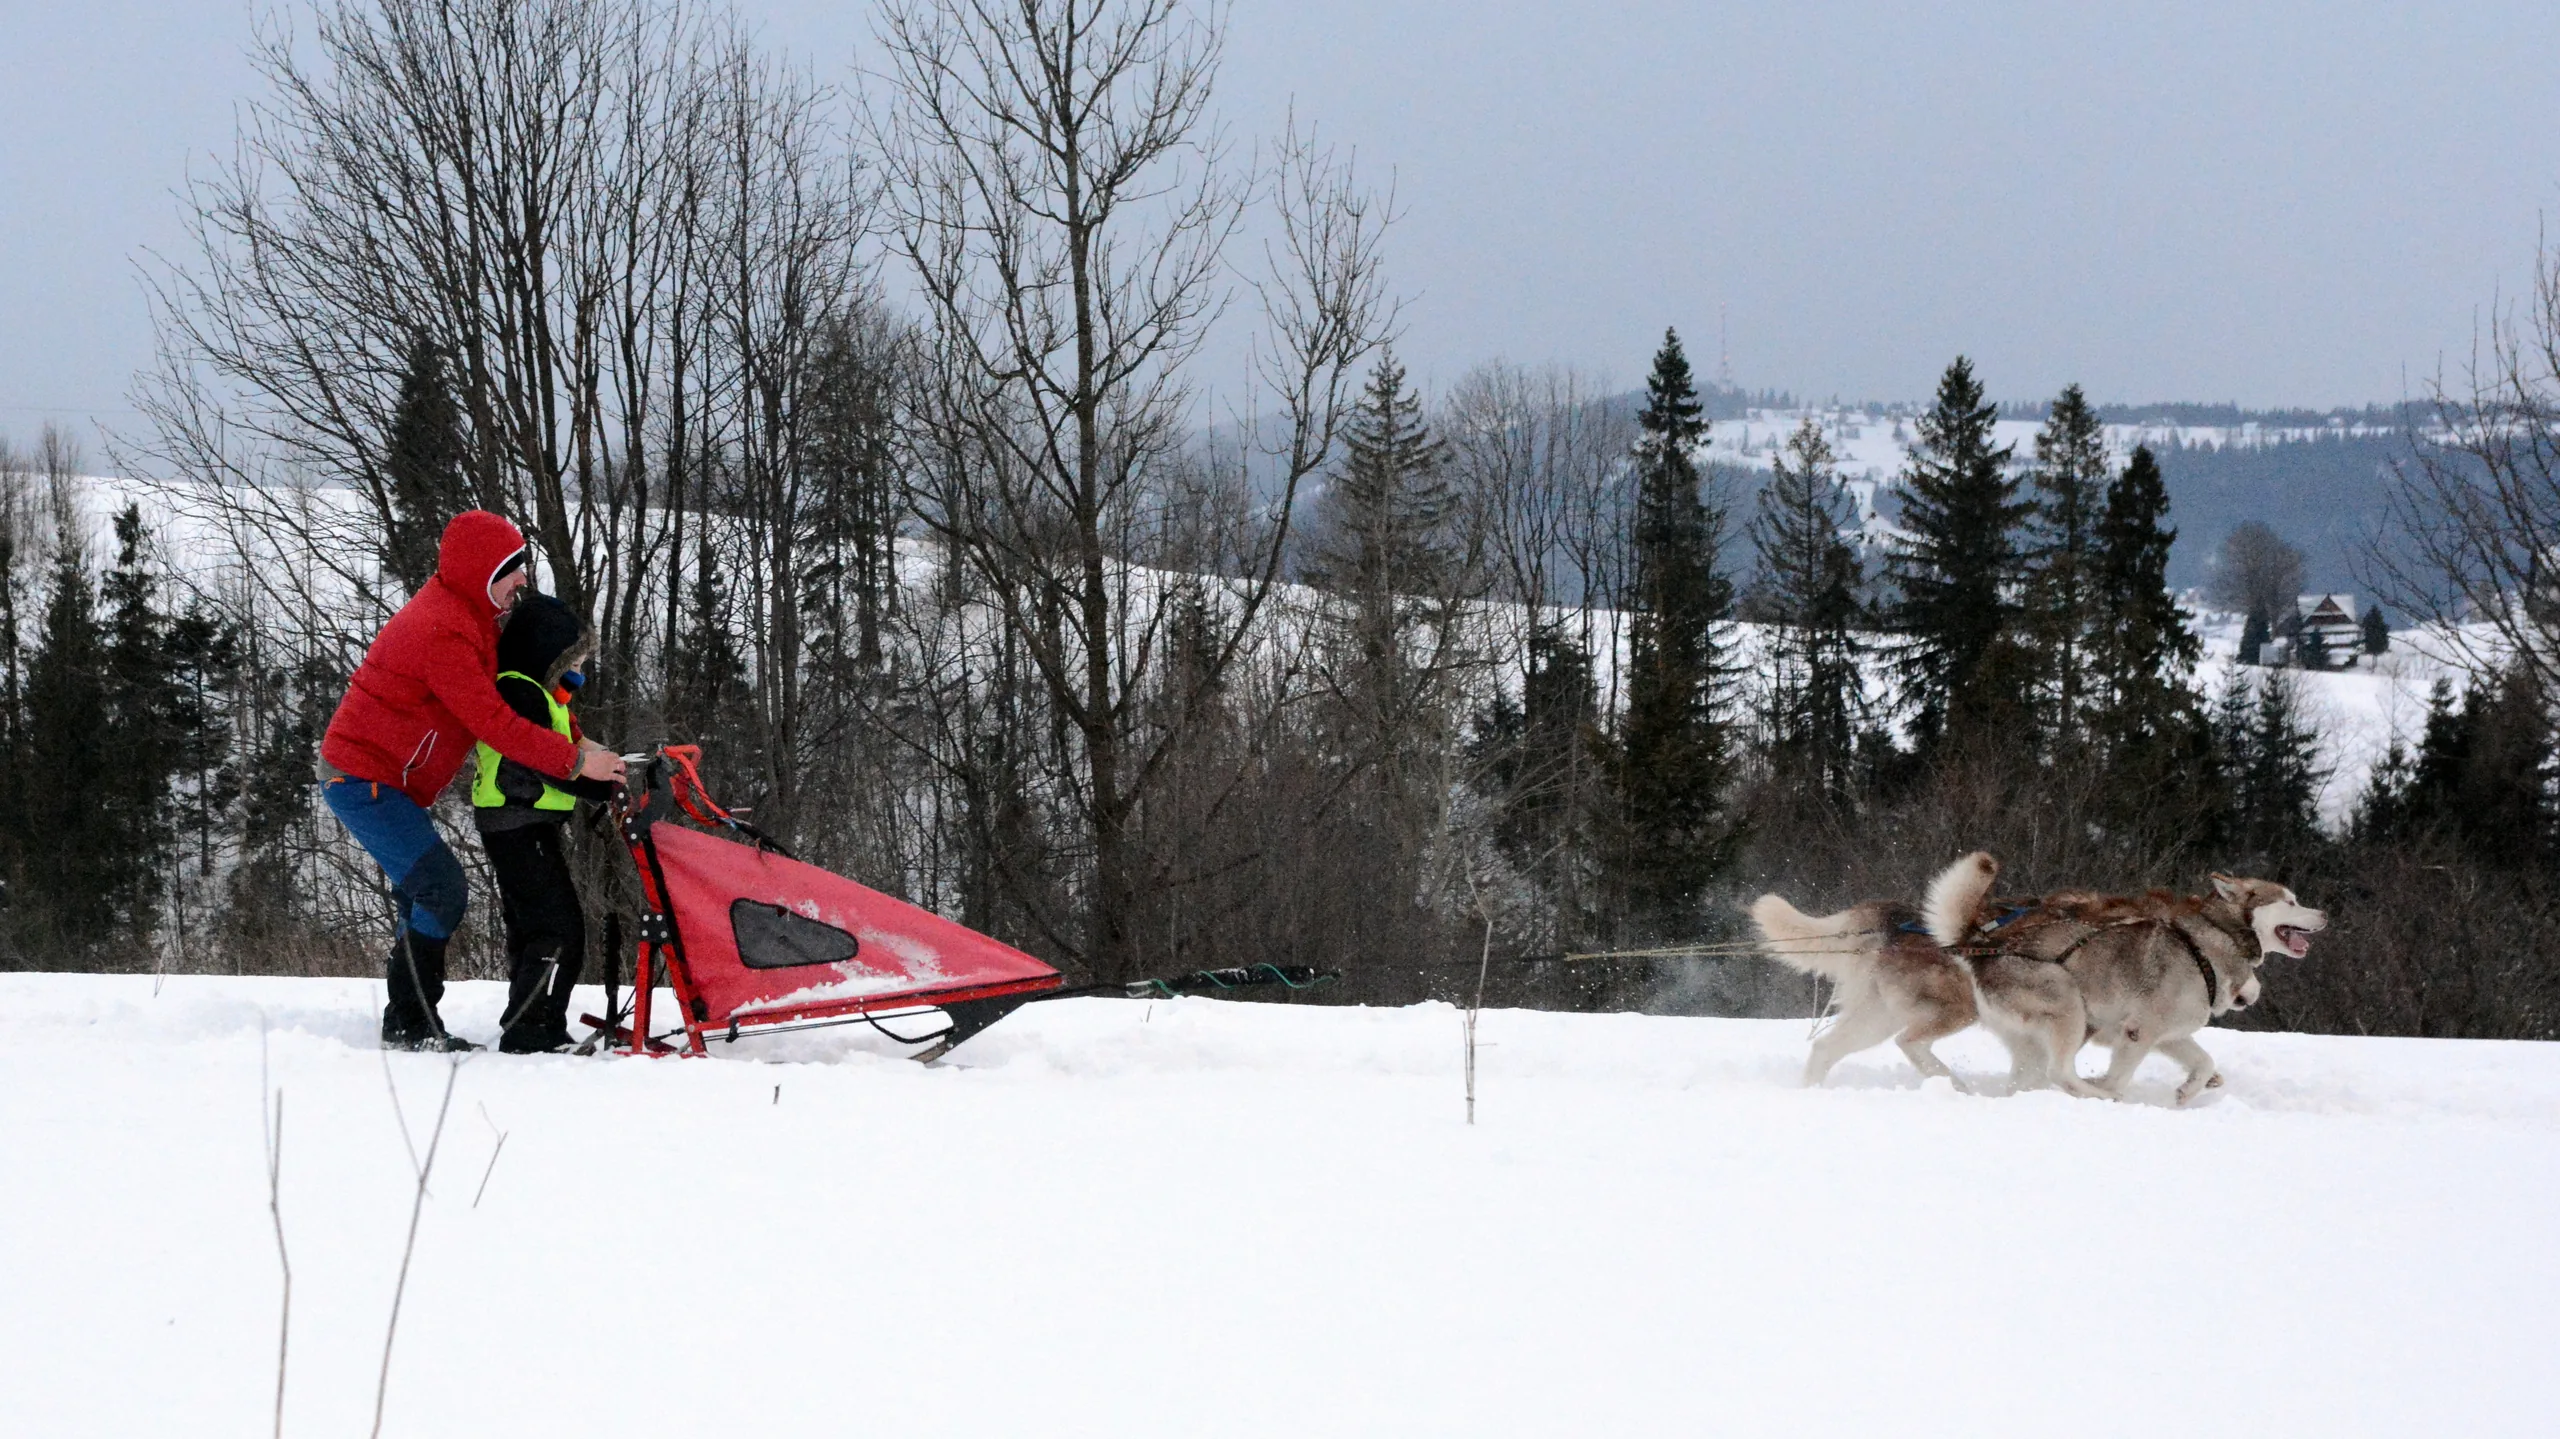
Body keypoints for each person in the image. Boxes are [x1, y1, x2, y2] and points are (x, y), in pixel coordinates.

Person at [319, 511, 626, 1050]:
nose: (523, 581)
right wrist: (576, 765)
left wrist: (578, 739)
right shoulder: (443, 630)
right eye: (513, 570)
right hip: (361, 776)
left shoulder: (471, 619)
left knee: (424, 894)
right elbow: (496, 722)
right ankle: (409, 1023)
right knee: (441, 890)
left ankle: (408, 1016)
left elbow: (528, 694)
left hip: (389, 781)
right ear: (481, 570)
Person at [473, 592, 620, 1053]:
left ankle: (526, 1017)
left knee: (536, 925)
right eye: (570, 659)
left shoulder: (537, 693)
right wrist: (601, 784)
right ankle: (533, 1027)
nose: (574, 671)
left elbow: (572, 744)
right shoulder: (519, 690)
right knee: (558, 929)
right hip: (516, 820)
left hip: (520, 821)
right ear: (546, 651)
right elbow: (550, 761)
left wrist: (612, 764)